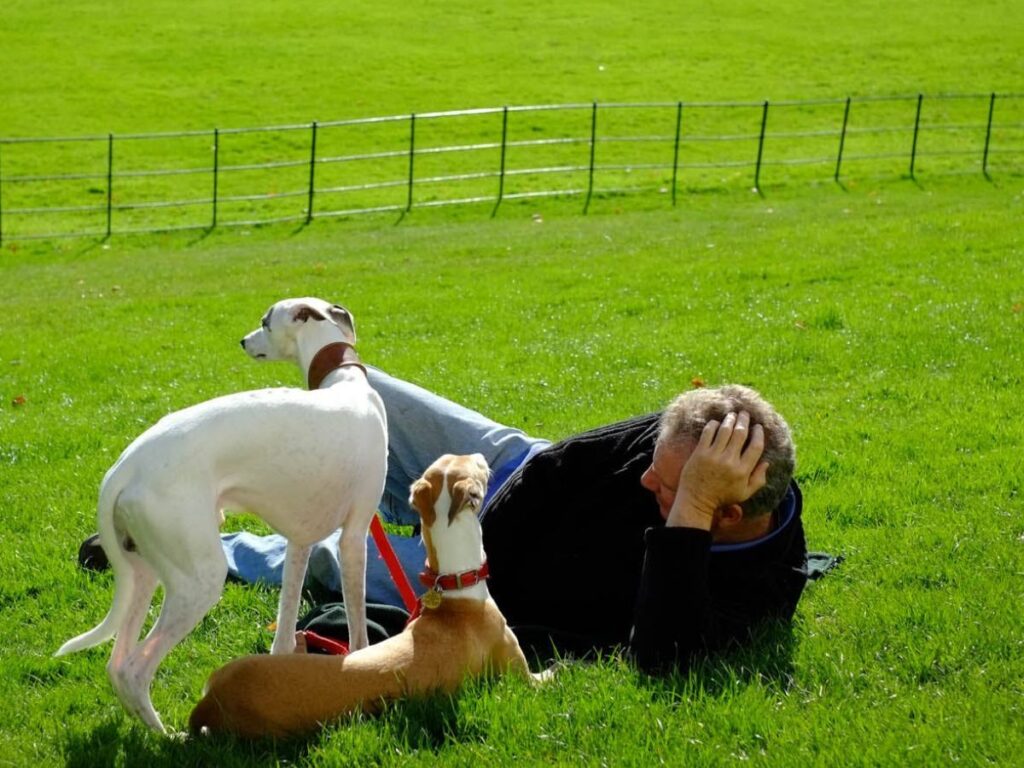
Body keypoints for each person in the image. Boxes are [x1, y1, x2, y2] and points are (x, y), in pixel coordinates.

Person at [81, 367, 809, 674]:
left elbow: (664, 657)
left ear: (728, 512)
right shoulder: (690, 445)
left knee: (341, 563)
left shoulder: (759, 589)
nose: (645, 476)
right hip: (511, 475)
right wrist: (473, 508)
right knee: (359, 386)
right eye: (657, 459)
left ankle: (220, 542)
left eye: (672, 486)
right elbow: (564, 465)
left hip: (481, 592)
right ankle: (209, 465)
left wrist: (683, 516)